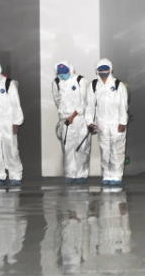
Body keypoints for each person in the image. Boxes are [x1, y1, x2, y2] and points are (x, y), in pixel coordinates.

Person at [85, 58, 129, 186]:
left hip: (116, 123)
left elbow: (123, 105)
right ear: (96, 70)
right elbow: (90, 106)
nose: (103, 71)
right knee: (104, 151)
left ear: (110, 69)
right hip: (102, 123)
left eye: (106, 69)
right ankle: (106, 175)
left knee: (117, 150)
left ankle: (116, 176)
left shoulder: (118, 85)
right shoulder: (93, 85)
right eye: (101, 69)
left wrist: (122, 122)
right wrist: (89, 122)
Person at [51, 61, 89, 184]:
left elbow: (84, 101)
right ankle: (70, 174)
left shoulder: (81, 81)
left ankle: (81, 175)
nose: (63, 75)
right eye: (60, 73)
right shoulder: (56, 83)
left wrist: (73, 115)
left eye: (65, 73)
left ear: (70, 70)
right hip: (65, 120)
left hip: (79, 119)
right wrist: (64, 115)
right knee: (67, 148)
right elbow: (57, 99)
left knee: (81, 147)